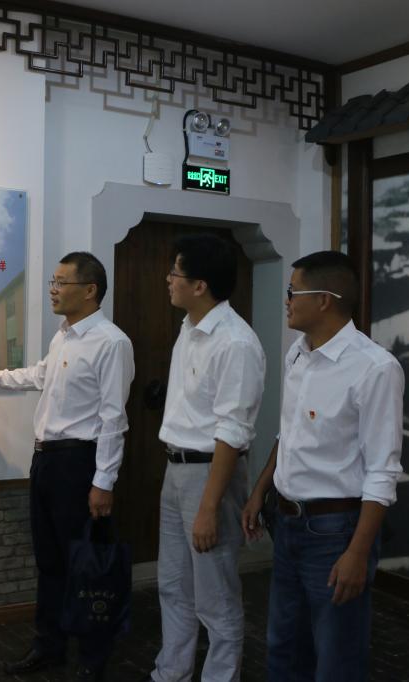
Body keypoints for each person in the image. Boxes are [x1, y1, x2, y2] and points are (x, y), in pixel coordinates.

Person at [0, 251, 134, 682]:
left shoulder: (111, 342)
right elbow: (38, 376)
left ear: (89, 290)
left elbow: (114, 418)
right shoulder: (64, 337)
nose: (53, 290)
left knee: (87, 564)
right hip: (47, 462)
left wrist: (104, 482)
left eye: (61, 283)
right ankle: (49, 647)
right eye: (52, 282)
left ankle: (92, 658)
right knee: (50, 562)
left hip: (81, 464)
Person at [241, 250, 404, 681]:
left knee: (336, 657)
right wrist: (260, 490)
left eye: (293, 291)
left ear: (324, 300)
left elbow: (383, 472)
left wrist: (358, 553)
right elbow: (289, 434)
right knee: (283, 648)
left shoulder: (374, 368)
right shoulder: (298, 354)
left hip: (335, 532)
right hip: (288, 523)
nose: (287, 300)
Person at [145, 235, 265, 682]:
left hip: (210, 476)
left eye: (175, 273)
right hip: (176, 470)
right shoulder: (189, 328)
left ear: (200, 285)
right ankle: (171, 673)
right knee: (174, 584)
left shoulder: (235, 342)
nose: (168, 280)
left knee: (215, 596)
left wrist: (209, 508)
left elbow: (232, 433)